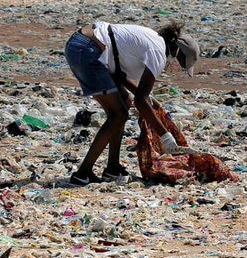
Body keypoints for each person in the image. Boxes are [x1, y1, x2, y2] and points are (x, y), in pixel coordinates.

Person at [64, 20, 200, 186]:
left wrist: (145, 97)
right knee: (118, 114)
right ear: (176, 51)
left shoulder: (154, 40)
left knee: (124, 103)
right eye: (181, 63)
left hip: (84, 44)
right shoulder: (157, 51)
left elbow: (122, 77)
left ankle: (112, 168)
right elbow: (141, 101)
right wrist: (165, 136)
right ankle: (82, 173)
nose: (177, 67)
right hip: (88, 50)